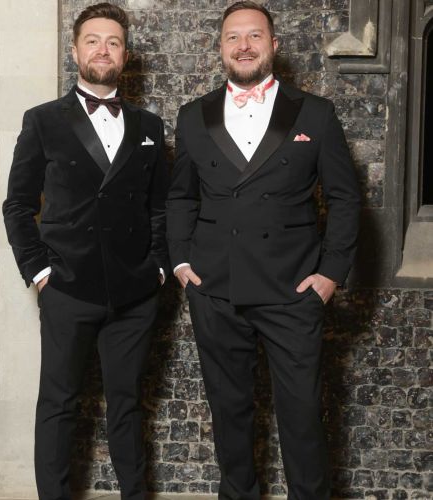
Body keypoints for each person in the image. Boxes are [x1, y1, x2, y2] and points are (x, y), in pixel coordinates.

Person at [166, 2, 360, 499]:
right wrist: (182, 261)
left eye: (254, 36)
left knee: (301, 416)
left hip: (292, 288)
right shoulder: (193, 115)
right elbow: (181, 196)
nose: (244, 45)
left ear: (274, 45)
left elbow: (344, 198)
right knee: (228, 413)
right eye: (233, 37)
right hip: (215, 288)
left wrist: (330, 274)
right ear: (220, 48)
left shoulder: (315, 112)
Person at [2, 3, 169, 499]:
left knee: (128, 404)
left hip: (134, 293)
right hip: (68, 288)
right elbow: (17, 205)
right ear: (75, 51)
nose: (103, 49)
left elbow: (160, 206)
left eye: (113, 42)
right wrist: (39, 271)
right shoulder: (42, 121)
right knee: (58, 403)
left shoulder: (150, 126)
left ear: (125, 55)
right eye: (92, 40)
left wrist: (159, 268)